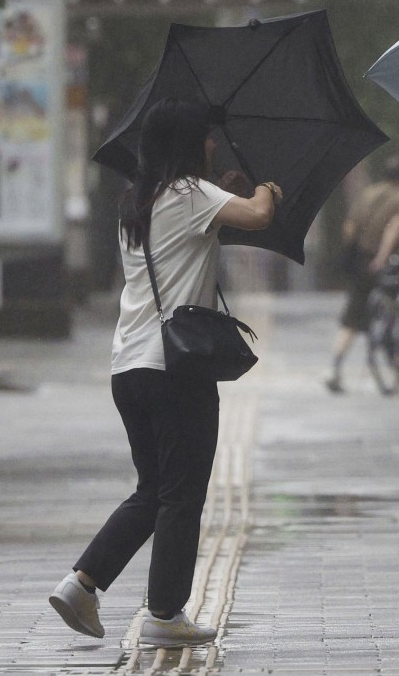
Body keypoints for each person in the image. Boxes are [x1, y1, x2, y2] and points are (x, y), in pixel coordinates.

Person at [48, 98, 282, 648]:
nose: (212, 144)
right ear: (185, 142)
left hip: (129, 366)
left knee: (154, 488)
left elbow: (194, 236)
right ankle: (165, 614)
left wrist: (223, 188)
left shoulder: (138, 202)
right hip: (175, 369)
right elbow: (259, 216)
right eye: (205, 137)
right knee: (182, 494)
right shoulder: (191, 194)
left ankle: (82, 583)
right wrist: (267, 185)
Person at [324, 156, 399, 393]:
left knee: (352, 315)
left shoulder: (368, 193)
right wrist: (381, 257)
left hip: (360, 260)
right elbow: (394, 228)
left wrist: (352, 254)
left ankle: (334, 368)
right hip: (386, 263)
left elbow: (349, 227)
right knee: (398, 310)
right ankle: (397, 368)